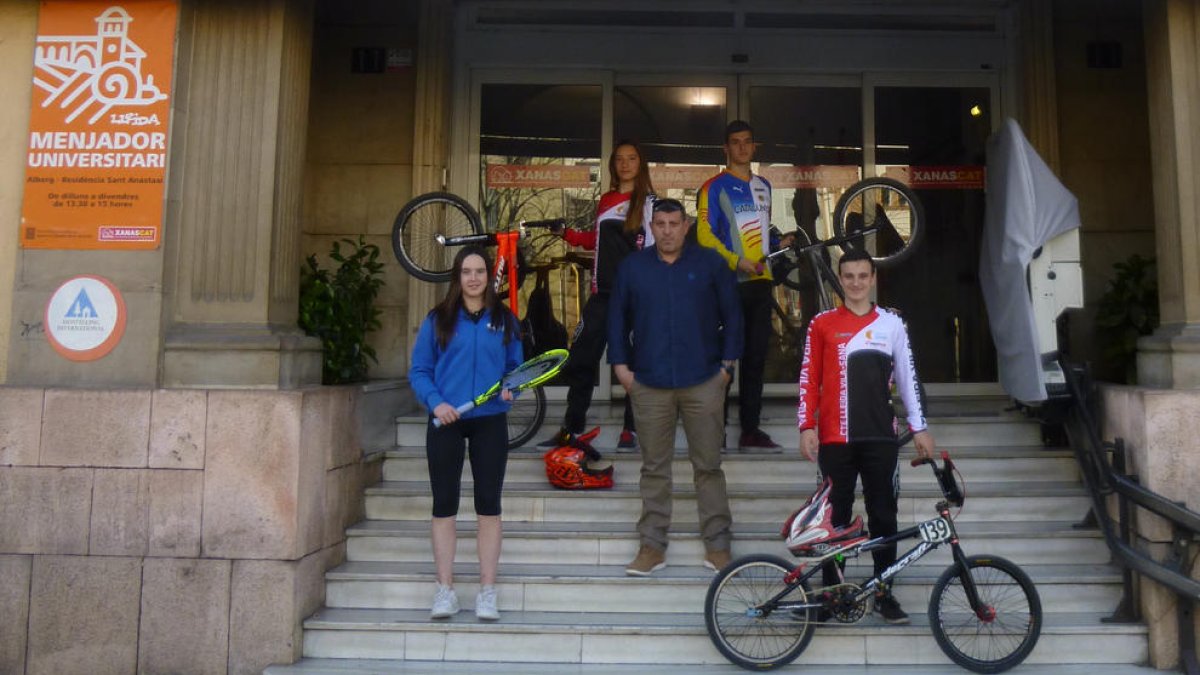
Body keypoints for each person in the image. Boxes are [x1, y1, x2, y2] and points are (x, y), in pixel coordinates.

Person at [797, 247, 936, 624]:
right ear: (840, 280)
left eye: (863, 276)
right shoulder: (821, 323)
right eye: (849, 276)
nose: (856, 283)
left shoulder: (892, 324)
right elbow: (809, 377)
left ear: (873, 279)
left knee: (884, 517)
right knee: (834, 522)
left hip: (880, 439)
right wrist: (806, 425)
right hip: (834, 440)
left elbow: (907, 378)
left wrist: (919, 427)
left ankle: (884, 592)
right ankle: (832, 594)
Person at [608, 198, 743, 576]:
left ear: (686, 226)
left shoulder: (710, 264)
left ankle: (718, 546)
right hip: (649, 382)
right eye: (660, 224)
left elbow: (733, 314)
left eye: (674, 223)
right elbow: (616, 318)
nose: (667, 231)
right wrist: (621, 368)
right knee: (654, 468)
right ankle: (652, 547)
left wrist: (727, 367)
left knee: (709, 466)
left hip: (704, 380)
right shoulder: (633, 267)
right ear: (651, 227)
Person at [409, 245, 523, 622]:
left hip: (490, 421)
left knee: (489, 506)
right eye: (466, 272)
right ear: (457, 278)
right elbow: (419, 370)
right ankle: (445, 591)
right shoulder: (438, 319)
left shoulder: (505, 320)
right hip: (447, 421)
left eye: (480, 271)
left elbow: (516, 370)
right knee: (444, 505)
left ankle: (487, 592)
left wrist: (512, 389)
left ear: (489, 277)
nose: (473, 278)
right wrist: (436, 403)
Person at [539, 140, 655, 451]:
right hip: (601, 296)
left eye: (632, 158)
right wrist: (567, 234)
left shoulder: (650, 203)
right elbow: (597, 239)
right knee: (581, 360)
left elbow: (657, 249)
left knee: (633, 365)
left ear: (641, 164)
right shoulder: (606, 200)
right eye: (620, 159)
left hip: (634, 299)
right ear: (613, 165)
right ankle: (571, 429)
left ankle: (631, 430)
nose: (625, 164)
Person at [697, 120, 793, 452]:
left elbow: (761, 233)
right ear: (726, 148)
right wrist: (737, 261)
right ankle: (717, 431)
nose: (741, 147)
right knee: (723, 359)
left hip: (760, 283)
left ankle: (750, 430)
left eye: (747, 141)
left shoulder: (765, 185)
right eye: (735, 142)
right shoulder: (714, 187)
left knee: (755, 359)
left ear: (754, 147)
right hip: (728, 283)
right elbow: (704, 235)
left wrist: (779, 242)